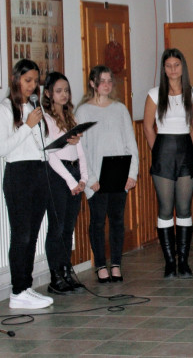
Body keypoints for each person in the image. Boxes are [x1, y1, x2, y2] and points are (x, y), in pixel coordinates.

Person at [0, 59, 53, 309]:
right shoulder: (4, 109)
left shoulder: (33, 106)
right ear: (16, 79)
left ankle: (26, 287)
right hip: (19, 174)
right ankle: (17, 290)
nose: (32, 86)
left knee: (33, 234)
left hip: (38, 171)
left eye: (35, 81)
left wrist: (57, 144)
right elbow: (3, 148)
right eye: (28, 80)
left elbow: (39, 144)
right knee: (22, 234)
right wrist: (28, 126)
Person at [76, 66, 138, 283]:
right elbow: (81, 148)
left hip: (118, 171)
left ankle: (116, 264)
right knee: (98, 221)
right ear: (92, 83)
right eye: (102, 81)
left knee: (117, 220)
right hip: (96, 175)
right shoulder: (83, 111)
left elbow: (130, 142)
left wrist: (132, 173)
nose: (107, 84)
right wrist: (90, 178)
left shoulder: (120, 109)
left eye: (109, 80)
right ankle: (101, 265)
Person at [143, 48, 193, 278]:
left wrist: (186, 146)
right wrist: (158, 151)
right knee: (166, 209)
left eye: (176, 65)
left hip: (185, 151)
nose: (173, 69)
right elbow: (148, 127)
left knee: (184, 208)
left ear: (182, 67)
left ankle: (184, 262)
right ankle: (170, 262)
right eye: (168, 66)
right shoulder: (154, 94)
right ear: (164, 69)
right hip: (163, 152)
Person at [43, 72, 88, 295]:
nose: (64, 95)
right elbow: (50, 154)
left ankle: (66, 271)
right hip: (57, 175)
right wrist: (70, 180)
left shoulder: (71, 117)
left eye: (66, 91)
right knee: (57, 227)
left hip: (73, 171)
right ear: (48, 93)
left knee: (69, 227)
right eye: (59, 91)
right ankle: (56, 277)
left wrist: (83, 178)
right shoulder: (46, 119)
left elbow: (80, 150)